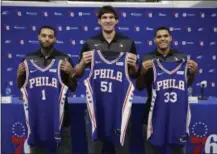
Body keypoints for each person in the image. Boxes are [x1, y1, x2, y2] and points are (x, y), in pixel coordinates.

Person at [75, 5, 138, 154]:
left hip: (120, 107)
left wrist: (134, 65)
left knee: (122, 149)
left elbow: (134, 75)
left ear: (116, 20)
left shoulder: (128, 43)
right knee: (94, 149)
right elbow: (77, 73)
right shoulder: (90, 43)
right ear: (99, 21)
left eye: (111, 17)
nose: (108, 20)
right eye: (104, 18)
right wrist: (83, 62)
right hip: (96, 107)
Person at [136, 26, 198, 154]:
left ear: (170, 38)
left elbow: (186, 85)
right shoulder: (148, 58)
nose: (162, 39)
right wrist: (141, 72)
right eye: (159, 37)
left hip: (176, 114)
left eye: (165, 36)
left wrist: (192, 74)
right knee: (152, 150)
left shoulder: (182, 58)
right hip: (152, 114)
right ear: (154, 40)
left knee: (179, 150)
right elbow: (139, 86)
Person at [16, 25, 77, 154]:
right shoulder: (28, 59)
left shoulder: (63, 59)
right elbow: (21, 87)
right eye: (44, 36)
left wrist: (71, 72)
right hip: (37, 117)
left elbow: (73, 87)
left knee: (63, 150)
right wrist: (18, 75)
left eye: (50, 36)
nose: (47, 39)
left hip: (61, 117)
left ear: (55, 39)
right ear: (38, 37)